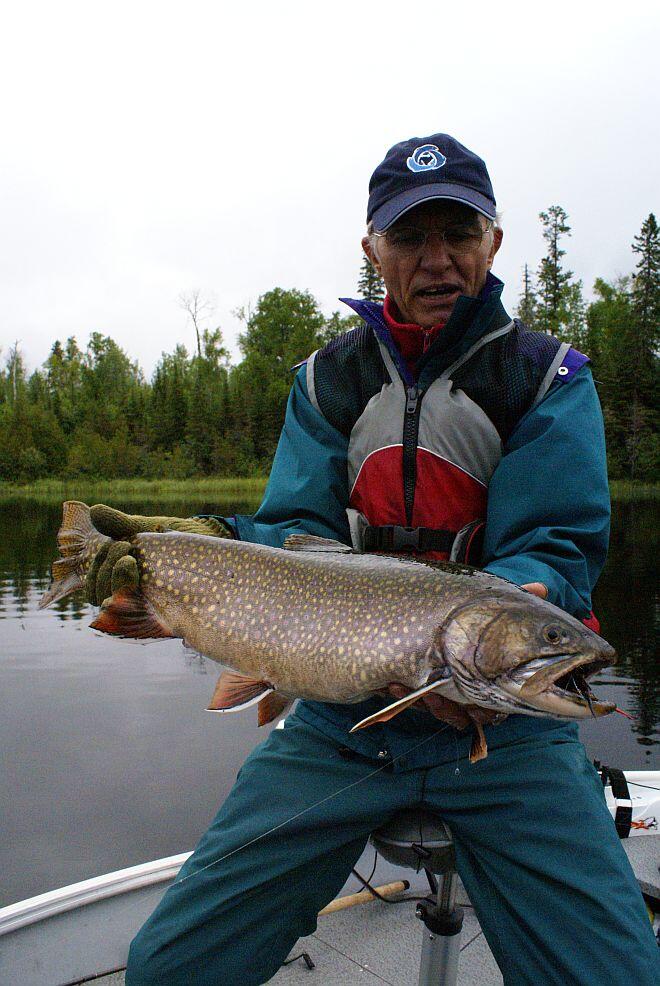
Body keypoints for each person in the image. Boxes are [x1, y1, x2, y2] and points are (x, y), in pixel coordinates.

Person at [88, 134, 658, 985]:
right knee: (172, 966)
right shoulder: (327, 380)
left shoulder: (547, 379)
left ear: (493, 241)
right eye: (410, 238)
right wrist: (212, 540)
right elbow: (294, 535)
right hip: (341, 725)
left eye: (458, 234)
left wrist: (536, 600)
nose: (438, 261)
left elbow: (552, 549)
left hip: (506, 735)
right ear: (372, 249)